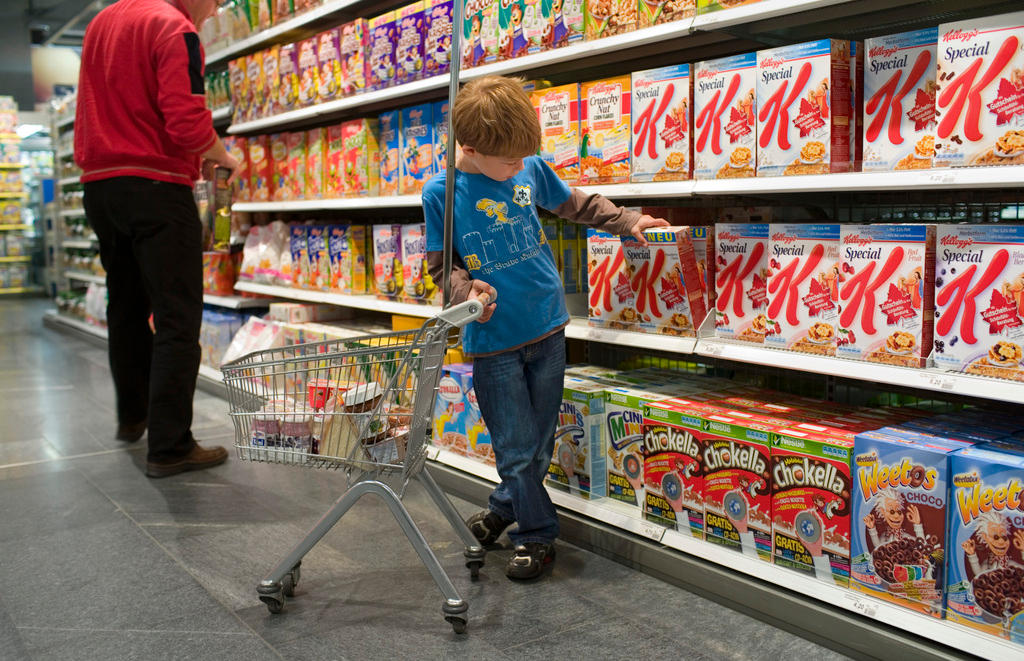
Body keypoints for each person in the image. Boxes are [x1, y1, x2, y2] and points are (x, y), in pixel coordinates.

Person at [423, 76, 668, 580]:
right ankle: (537, 535)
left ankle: (504, 507)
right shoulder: (441, 193)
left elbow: (575, 204)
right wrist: (466, 293)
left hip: (549, 326)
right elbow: (441, 268)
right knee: (515, 445)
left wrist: (627, 221)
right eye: (509, 162)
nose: (520, 168)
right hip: (493, 341)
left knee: (538, 442)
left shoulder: (528, 166)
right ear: (468, 149)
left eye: (523, 160)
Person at [74, 0, 239, 478]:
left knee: (124, 307)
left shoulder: (103, 21)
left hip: (101, 187)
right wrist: (224, 157)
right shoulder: (173, 27)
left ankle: (134, 416)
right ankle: (170, 447)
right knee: (176, 317)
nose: (211, 12)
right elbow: (185, 119)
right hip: (156, 188)